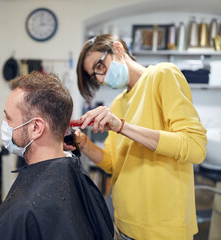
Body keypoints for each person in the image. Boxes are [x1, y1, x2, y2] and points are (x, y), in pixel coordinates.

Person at [0, 71, 114, 240]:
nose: (4, 125)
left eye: (9, 119)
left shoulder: (28, 209)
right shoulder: (70, 170)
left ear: (36, 127)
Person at [66, 34, 207, 240]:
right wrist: (82, 142)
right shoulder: (117, 104)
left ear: (118, 48)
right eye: (94, 76)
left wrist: (122, 126)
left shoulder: (163, 75)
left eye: (100, 66)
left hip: (162, 229)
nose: (101, 78)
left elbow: (195, 147)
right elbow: (113, 164)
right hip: (123, 223)